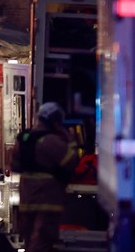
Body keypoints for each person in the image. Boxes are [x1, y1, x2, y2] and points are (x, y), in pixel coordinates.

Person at [15, 101, 78, 252]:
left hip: (26, 199)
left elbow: (15, 166)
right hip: (48, 200)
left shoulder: (24, 139)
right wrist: (69, 139)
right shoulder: (52, 141)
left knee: (29, 239)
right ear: (54, 121)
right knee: (42, 241)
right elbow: (72, 161)